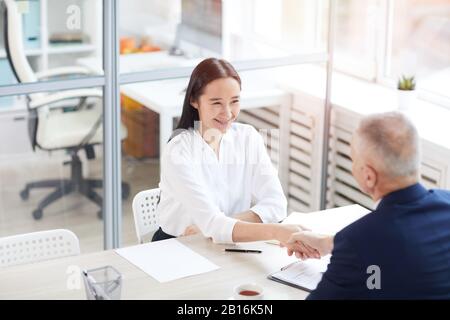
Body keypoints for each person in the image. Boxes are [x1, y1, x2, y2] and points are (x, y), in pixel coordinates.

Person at [153, 58, 314, 249]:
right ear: (194, 101)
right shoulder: (179, 150)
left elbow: (277, 204)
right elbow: (212, 224)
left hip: (231, 241)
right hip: (178, 246)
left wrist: (221, 224)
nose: (228, 113)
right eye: (216, 103)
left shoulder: (247, 137)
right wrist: (275, 231)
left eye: (234, 101)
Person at [286, 112, 450, 299]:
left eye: (353, 159)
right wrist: (327, 243)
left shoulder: (358, 242)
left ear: (369, 176)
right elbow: (409, 242)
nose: (352, 165)